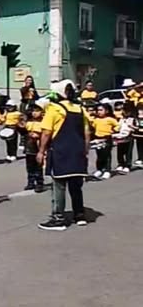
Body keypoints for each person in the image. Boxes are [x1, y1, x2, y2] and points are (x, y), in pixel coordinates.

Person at [37, 80, 90, 230]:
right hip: (77, 151)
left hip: (61, 151)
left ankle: (58, 218)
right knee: (76, 185)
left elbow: (46, 132)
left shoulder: (54, 109)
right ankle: (79, 215)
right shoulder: (80, 109)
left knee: (59, 185)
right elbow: (86, 133)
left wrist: (41, 151)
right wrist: (85, 150)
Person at [90, 100, 117, 179]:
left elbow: (117, 125)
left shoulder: (110, 119)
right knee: (99, 155)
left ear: (107, 111)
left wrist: (114, 131)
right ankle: (99, 169)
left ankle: (107, 170)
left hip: (107, 138)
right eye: (98, 110)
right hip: (98, 138)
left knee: (107, 155)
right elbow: (92, 126)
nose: (99, 112)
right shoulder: (96, 119)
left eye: (101, 110)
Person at [23, 105, 45, 191]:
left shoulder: (43, 122)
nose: (34, 113)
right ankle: (30, 182)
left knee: (38, 166)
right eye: (33, 111)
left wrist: (38, 135)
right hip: (29, 146)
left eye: (37, 111)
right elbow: (23, 132)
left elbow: (45, 133)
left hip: (38, 146)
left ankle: (39, 183)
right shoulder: (29, 122)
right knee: (29, 166)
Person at [114, 101, 135, 174]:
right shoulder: (121, 119)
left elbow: (136, 128)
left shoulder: (132, 119)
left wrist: (132, 127)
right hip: (120, 137)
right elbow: (118, 127)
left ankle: (127, 165)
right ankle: (121, 164)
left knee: (128, 152)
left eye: (127, 111)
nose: (125, 112)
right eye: (123, 110)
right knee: (120, 152)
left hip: (129, 137)